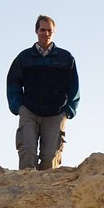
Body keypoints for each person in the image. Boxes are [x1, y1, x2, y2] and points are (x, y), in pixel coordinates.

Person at [6, 15, 80, 170]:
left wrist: (69, 111)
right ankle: (25, 191)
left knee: (50, 158)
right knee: (28, 154)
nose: (46, 33)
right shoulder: (24, 57)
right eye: (42, 30)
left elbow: (74, 86)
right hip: (29, 111)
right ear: (36, 31)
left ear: (54, 33)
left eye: (49, 30)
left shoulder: (65, 58)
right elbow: (13, 83)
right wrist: (17, 106)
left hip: (56, 113)